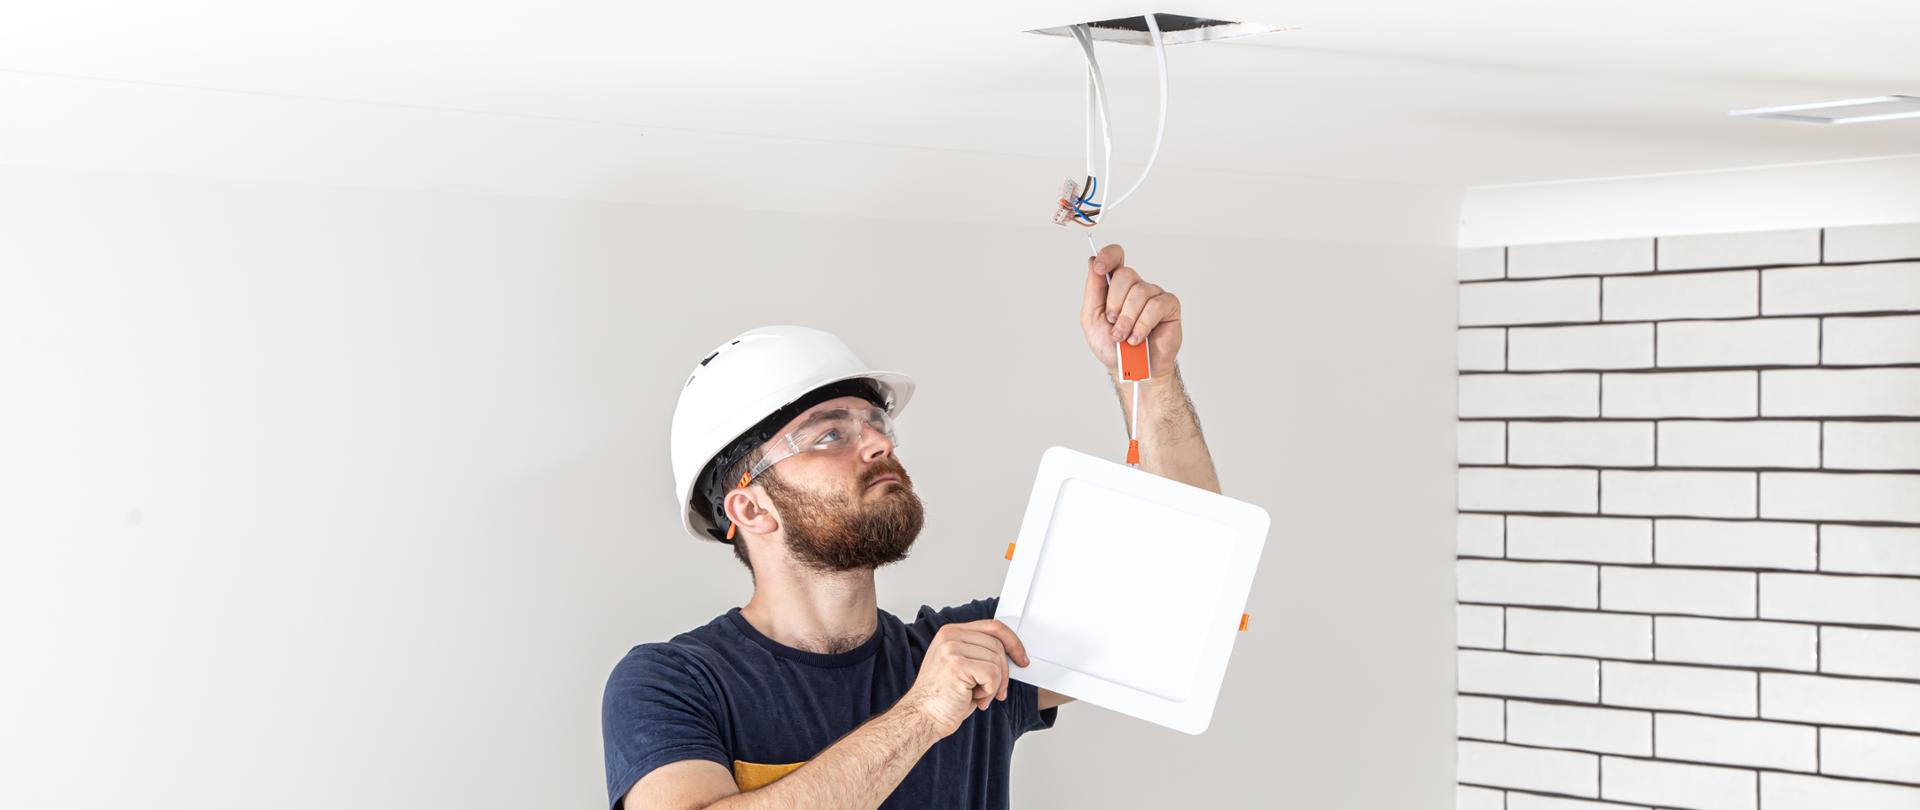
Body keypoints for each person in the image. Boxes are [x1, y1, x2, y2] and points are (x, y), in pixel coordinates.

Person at [602, 245, 1222, 810]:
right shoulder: (674, 681)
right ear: (751, 510)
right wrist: (923, 713)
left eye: (874, 424)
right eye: (829, 434)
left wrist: (1151, 380)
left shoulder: (971, 651)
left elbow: (1181, 596)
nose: (875, 442)